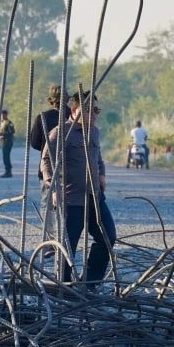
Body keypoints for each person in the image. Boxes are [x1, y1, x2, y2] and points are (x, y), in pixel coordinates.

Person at [39, 91, 117, 287]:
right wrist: (53, 187)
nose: (95, 114)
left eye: (97, 110)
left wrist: (102, 174)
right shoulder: (60, 132)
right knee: (67, 248)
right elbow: (46, 161)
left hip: (94, 198)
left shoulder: (95, 132)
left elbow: (98, 157)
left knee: (107, 237)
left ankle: (90, 283)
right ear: (75, 110)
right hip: (70, 199)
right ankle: (64, 288)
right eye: (89, 110)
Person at [27, 85, 64, 244]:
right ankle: (65, 239)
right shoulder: (75, 115)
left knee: (47, 204)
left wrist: (46, 147)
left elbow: (34, 143)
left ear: (50, 101)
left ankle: (50, 241)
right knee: (67, 205)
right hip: (69, 168)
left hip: (47, 167)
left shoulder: (42, 117)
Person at [0, 109, 16, 177]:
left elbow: (12, 132)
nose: (2, 116)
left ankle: (8, 171)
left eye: (3, 114)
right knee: (4, 156)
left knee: (6, 156)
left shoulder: (9, 122)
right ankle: (7, 170)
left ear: (5, 115)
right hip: (4, 141)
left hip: (8, 141)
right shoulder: (2, 122)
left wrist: (3, 136)